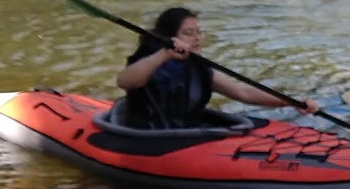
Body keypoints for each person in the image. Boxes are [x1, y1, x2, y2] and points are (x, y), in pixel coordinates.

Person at [116, 7, 320, 129]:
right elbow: (124, 81)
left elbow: (243, 92)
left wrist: (293, 102)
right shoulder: (149, 61)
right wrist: (164, 54)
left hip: (184, 136)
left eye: (199, 32)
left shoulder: (198, 68)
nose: (197, 38)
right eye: (188, 33)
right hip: (146, 137)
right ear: (170, 37)